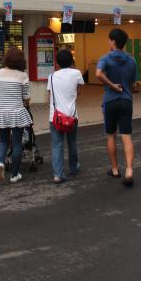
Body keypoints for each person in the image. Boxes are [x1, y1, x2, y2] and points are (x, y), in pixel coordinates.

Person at [96, 28, 137, 186]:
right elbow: (133, 85)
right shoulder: (132, 60)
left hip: (110, 101)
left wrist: (112, 86)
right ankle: (129, 171)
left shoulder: (105, 58)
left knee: (111, 135)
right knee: (126, 136)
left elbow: (98, 74)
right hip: (126, 101)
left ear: (113, 41)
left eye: (109, 40)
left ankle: (114, 169)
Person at [0, 47, 32, 184]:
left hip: (1, 111)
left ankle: (1, 163)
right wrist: (26, 103)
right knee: (16, 144)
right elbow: (26, 97)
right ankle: (15, 175)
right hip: (17, 112)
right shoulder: (22, 76)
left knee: (3, 141)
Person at [48, 49, 84, 184]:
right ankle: (73, 168)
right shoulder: (77, 73)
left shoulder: (52, 76)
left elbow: (49, 96)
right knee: (72, 142)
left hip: (55, 117)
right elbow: (79, 92)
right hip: (71, 116)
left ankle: (58, 174)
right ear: (71, 61)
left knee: (57, 145)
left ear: (57, 62)